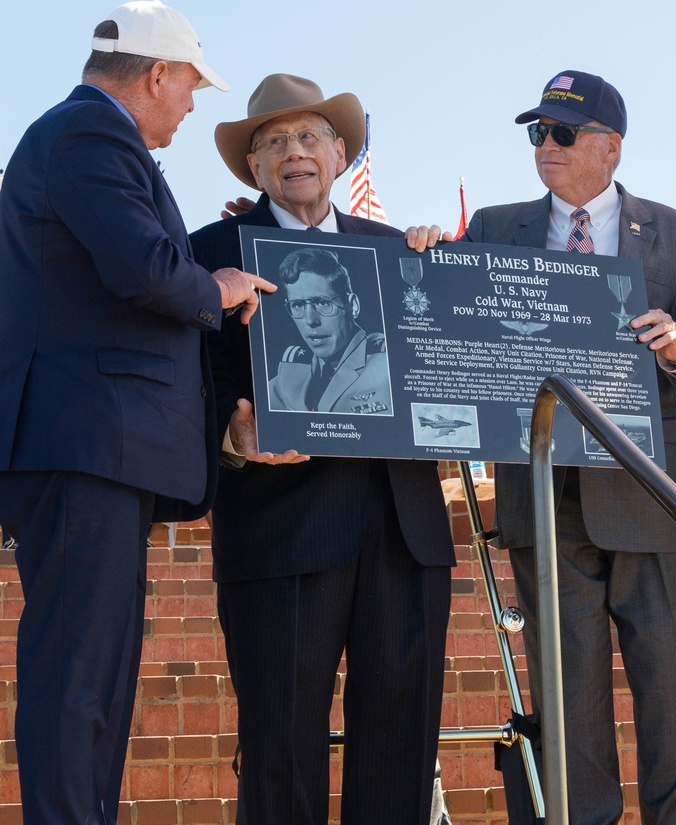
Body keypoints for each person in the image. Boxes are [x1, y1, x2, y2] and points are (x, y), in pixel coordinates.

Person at [411, 69, 676, 825]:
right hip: (542, 497)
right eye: (537, 133)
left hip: (645, 496)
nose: (544, 147)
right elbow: (444, 324)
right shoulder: (493, 228)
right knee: (567, 696)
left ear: (609, 147)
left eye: (561, 133)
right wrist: (423, 255)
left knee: (667, 692)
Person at [0, 3, 269, 823]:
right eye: (189, 86)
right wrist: (216, 289)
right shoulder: (90, 133)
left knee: (101, 681)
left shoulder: (89, 139)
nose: (192, 105)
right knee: (77, 679)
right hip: (84, 447)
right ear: (157, 75)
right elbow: (142, 265)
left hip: (101, 451)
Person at [189, 73, 455, 825]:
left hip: (404, 531)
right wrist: (229, 437)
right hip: (278, 532)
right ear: (253, 168)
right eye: (272, 142)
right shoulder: (206, 253)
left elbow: (450, 371)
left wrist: (445, 275)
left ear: (340, 153)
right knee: (279, 746)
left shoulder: (401, 250)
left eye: (309, 137)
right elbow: (184, 381)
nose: (293, 152)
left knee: (402, 744)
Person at [268, 246, 392, 414]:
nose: (310, 320)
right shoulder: (290, 372)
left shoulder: (387, 364)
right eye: (298, 305)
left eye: (322, 303)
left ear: (352, 306)